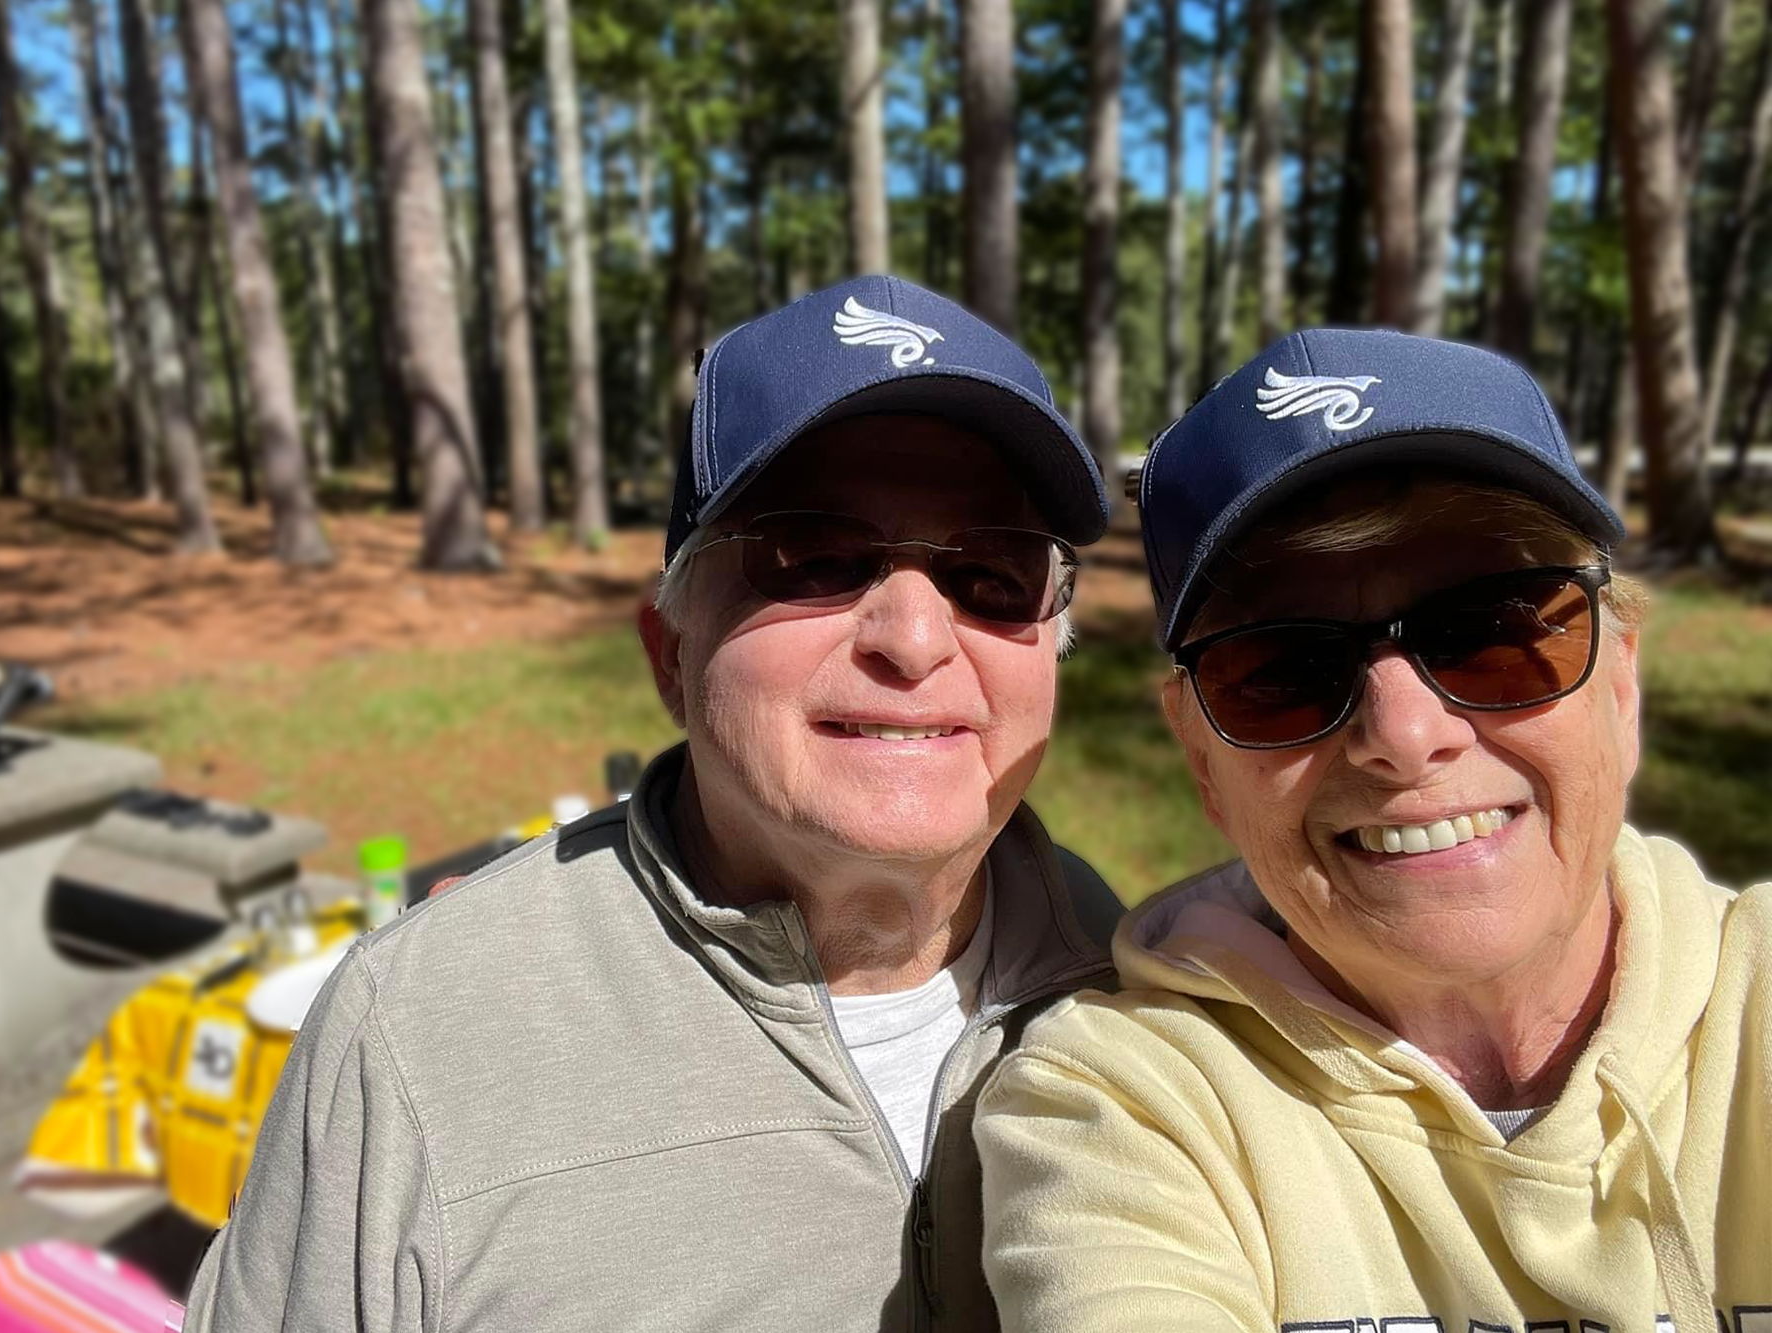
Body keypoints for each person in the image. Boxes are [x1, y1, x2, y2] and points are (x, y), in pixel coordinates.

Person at [182, 275, 1126, 1331]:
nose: (911, 638)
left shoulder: (1137, 973)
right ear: (670, 656)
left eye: (992, 573)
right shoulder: (414, 1031)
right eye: (812, 557)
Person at [975, 327, 1772, 1333]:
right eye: (1278, 669)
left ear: (1620, 684)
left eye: (1492, 630)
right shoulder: (1121, 1111)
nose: (1403, 735)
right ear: (1201, 760)